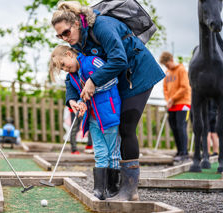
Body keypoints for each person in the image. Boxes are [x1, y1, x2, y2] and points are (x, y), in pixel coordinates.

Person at [51, 1, 165, 201]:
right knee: (119, 129)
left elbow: (119, 59)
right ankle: (114, 186)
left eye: (66, 33)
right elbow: (73, 75)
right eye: (59, 36)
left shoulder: (102, 26)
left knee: (126, 127)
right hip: (119, 78)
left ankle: (129, 191)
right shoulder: (77, 42)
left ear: (77, 23)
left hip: (138, 74)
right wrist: (71, 99)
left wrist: (93, 81)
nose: (64, 39)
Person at [49, 45, 122, 200]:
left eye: (63, 64)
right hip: (93, 118)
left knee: (113, 153)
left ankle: (113, 188)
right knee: (100, 153)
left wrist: (92, 89)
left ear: (69, 54)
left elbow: (113, 79)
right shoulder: (72, 75)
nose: (64, 69)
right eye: (61, 68)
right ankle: (99, 190)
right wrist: (75, 102)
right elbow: (72, 92)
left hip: (109, 114)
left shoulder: (92, 62)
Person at [160, 51, 191, 162]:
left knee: (181, 127)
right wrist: (168, 100)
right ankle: (179, 151)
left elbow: (185, 87)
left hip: (183, 103)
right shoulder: (167, 73)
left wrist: (173, 99)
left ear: (171, 60)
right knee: (174, 128)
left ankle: (184, 153)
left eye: (167, 64)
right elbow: (165, 88)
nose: (166, 66)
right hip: (171, 105)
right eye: (165, 65)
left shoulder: (181, 70)